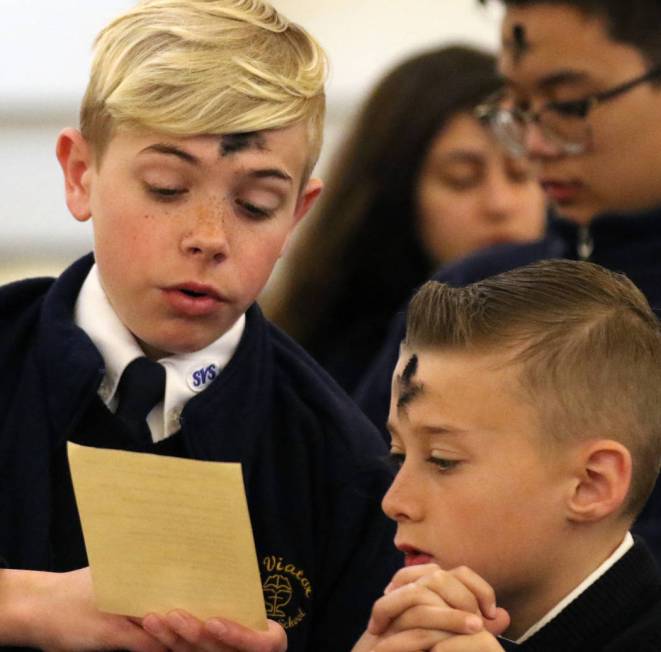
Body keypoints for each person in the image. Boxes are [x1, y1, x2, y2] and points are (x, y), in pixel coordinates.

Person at [0, 2, 401, 651]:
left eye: (255, 205)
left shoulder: (342, 468)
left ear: (298, 214)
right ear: (81, 175)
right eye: (166, 187)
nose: (209, 238)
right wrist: (20, 604)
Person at [354, 0, 661, 561]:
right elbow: (351, 513)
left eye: (568, 104)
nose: (537, 145)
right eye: (518, 107)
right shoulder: (476, 288)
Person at [354, 260, 661, 651]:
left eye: (443, 459)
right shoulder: (393, 616)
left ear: (590, 484)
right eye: (398, 455)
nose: (394, 502)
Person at [262, 45, 546, 394]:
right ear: (396, 193)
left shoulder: (602, 331)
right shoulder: (320, 371)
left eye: (521, 173)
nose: (500, 204)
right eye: (461, 178)